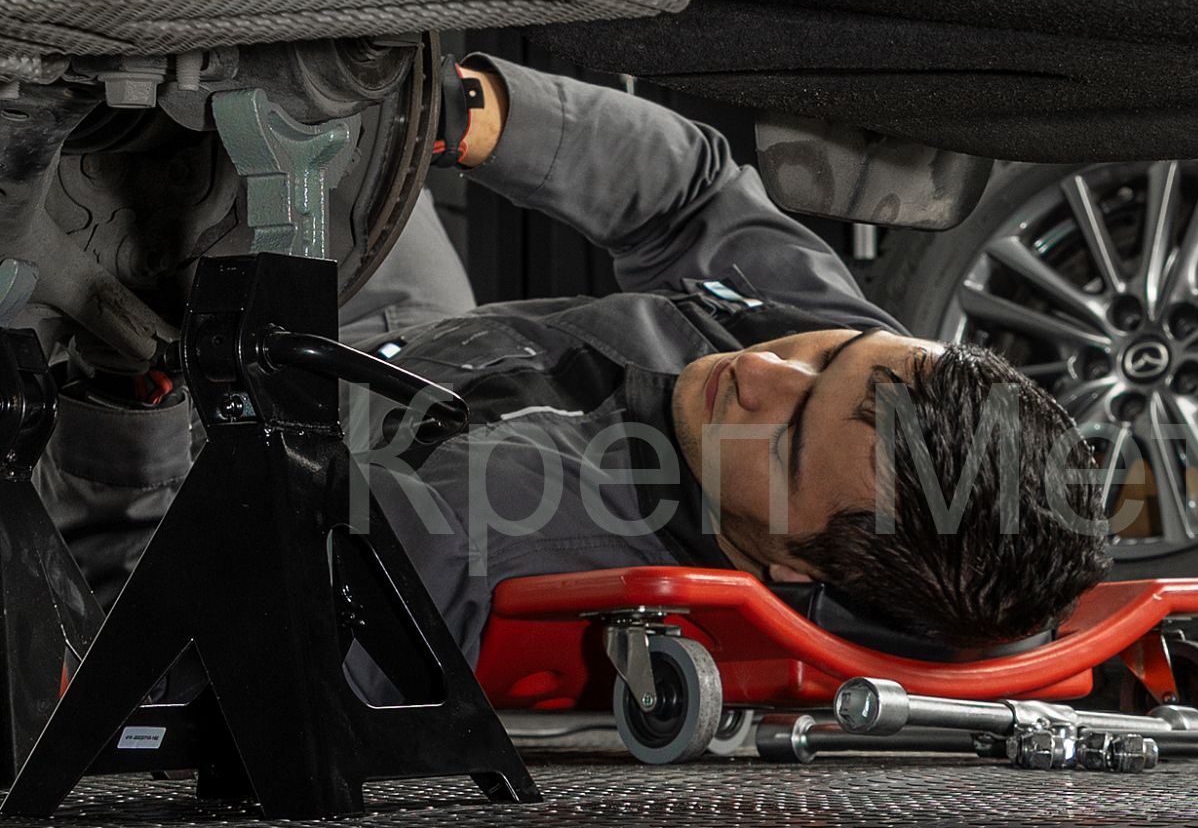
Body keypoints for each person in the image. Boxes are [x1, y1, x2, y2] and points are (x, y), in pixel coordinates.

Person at [41, 57, 1109, 677]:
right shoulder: (863, 395)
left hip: (229, 445)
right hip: (421, 340)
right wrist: (465, 116)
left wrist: (127, 400)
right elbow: (691, 198)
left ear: (790, 572)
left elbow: (159, 635)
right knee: (338, 97)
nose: (761, 372)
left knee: (84, 236)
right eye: (827, 356)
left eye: (783, 441)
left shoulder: (495, 556)